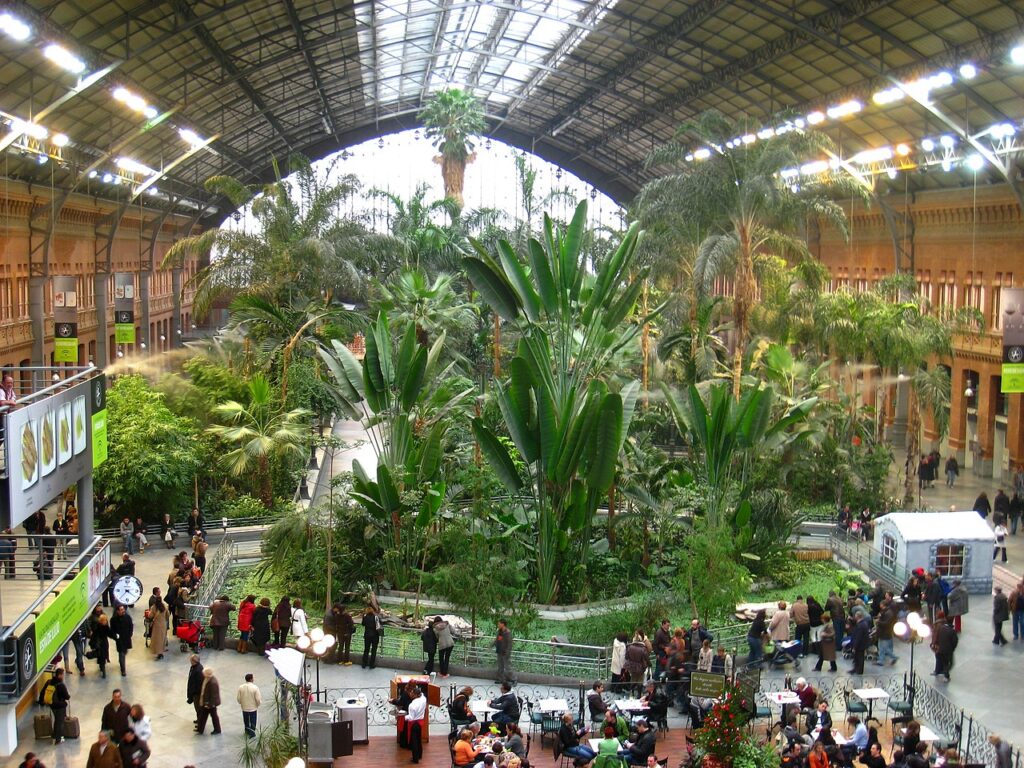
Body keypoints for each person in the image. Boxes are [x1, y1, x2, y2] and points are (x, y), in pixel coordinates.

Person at [41, 667, 70, 744]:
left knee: (57, 720)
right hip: (60, 706)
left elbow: (42, 692)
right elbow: (67, 696)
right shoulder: (61, 685)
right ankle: (58, 739)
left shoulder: (49, 682)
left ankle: (54, 735)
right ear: (59, 675)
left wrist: (42, 702)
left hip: (51, 705)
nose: (63, 676)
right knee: (59, 722)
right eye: (62, 675)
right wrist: (67, 697)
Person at [196, 667, 222, 735]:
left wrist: (209, 704)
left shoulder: (212, 682)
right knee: (203, 716)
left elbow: (214, 695)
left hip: (210, 704)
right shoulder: (207, 679)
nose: (203, 674)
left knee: (213, 716)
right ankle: (200, 729)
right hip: (206, 702)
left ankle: (217, 729)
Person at [931, 617, 958, 681]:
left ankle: (943, 673)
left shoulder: (939, 629)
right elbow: (955, 641)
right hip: (948, 651)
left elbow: (935, 638)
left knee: (943, 662)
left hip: (939, 650)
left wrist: (934, 645)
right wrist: (952, 648)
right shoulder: (952, 631)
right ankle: (946, 675)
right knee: (950, 663)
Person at [405, 684, 427, 763]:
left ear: (415, 695)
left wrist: (403, 717)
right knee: (419, 739)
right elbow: (423, 694)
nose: (410, 694)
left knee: (414, 741)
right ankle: (420, 755)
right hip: (420, 722)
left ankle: (415, 758)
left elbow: (411, 717)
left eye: (411, 693)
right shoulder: (423, 699)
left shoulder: (412, 705)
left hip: (414, 723)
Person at [110, 605, 133, 676]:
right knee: (122, 654)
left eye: (123, 609)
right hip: (120, 640)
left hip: (126, 638)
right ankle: (123, 670)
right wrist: (116, 637)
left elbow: (131, 626)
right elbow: (112, 630)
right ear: (117, 611)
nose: (123, 611)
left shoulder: (127, 617)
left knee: (125, 652)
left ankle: (121, 661)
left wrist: (130, 634)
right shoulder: (113, 620)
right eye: (121, 609)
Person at [237, 672, 262, 737]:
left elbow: (238, 698)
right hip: (253, 708)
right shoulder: (255, 688)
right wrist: (258, 704)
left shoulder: (241, 687)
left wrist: (241, 703)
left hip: (244, 707)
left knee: (246, 720)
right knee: (253, 720)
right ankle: (252, 733)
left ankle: (247, 730)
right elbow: (258, 699)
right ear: (251, 679)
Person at [875, 599, 898, 665]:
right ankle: (881, 660)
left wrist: (878, 622)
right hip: (883, 632)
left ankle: (894, 657)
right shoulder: (886, 612)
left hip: (884, 633)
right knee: (881, 647)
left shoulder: (888, 613)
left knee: (884, 647)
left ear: (883, 605)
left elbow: (886, 623)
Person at [848, 609, 871, 675]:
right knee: (856, 657)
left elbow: (858, 637)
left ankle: (859, 670)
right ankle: (855, 669)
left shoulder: (861, 625)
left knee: (859, 658)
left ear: (858, 616)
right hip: (860, 644)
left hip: (860, 645)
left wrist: (855, 646)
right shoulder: (862, 623)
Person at [91, 613, 112, 678]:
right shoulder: (97, 627)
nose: (106, 622)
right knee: (101, 656)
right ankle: (102, 667)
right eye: (105, 620)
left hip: (104, 643)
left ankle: (103, 665)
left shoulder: (106, 627)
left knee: (103, 655)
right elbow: (94, 636)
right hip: (99, 644)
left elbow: (109, 633)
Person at [495, 618, 515, 684]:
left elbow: (510, 644)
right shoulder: (499, 631)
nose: (498, 625)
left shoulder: (508, 633)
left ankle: (513, 679)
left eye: (499, 623)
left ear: (503, 624)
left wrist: (508, 653)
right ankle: (501, 679)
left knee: (507, 667)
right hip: (499, 651)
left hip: (505, 652)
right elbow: (496, 639)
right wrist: (491, 645)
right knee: (500, 667)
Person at [186, 655, 204, 724]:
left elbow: (198, 684)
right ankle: (198, 720)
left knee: (198, 708)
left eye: (191, 660)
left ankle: (200, 723)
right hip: (194, 692)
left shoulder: (198, 670)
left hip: (197, 693)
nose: (190, 661)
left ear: (194, 661)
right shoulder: (194, 667)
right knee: (197, 708)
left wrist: (194, 692)